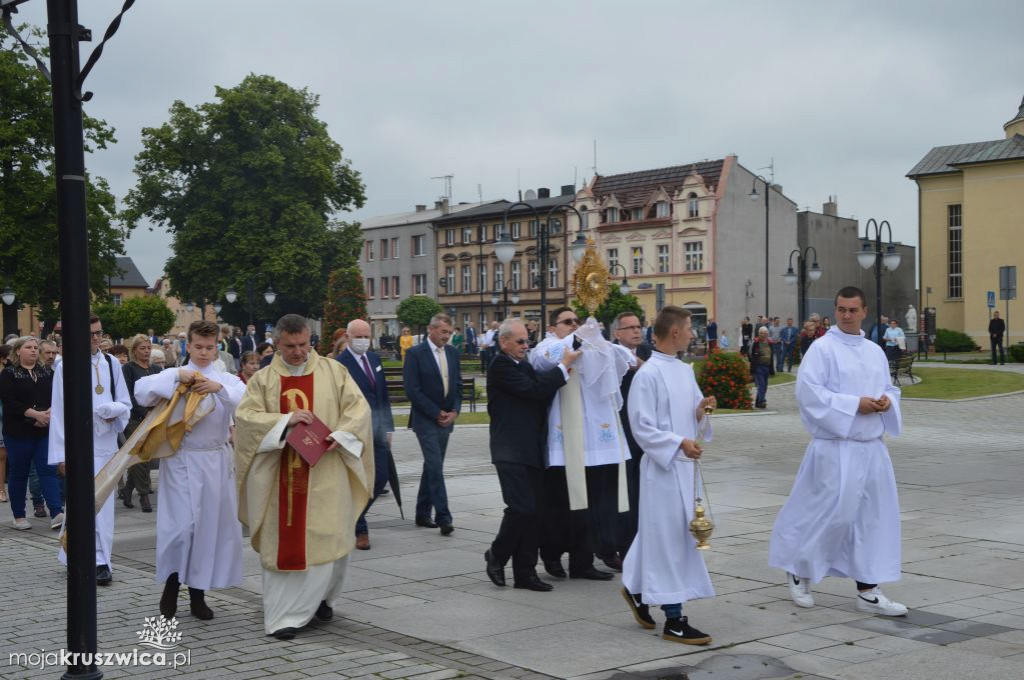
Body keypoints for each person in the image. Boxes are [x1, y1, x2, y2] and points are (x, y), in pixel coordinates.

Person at [769, 287, 907, 617]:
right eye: (841, 309)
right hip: (836, 447)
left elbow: (889, 387)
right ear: (835, 311)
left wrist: (887, 402)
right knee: (830, 514)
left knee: (872, 518)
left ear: (864, 312)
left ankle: (868, 588)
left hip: (871, 448)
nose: (847, 315)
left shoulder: (874, 351)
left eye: (853, 310)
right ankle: (799, 570)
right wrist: (853, 405)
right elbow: (809, 395)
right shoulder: (823, 349)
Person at [234, 314, 373, 640]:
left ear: (312, 341)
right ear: (277, 344)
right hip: (279, 475)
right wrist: (285, 421)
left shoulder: (334, 372)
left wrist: (341, 435)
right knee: (284, 545)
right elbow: (246, 418)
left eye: (303, 345)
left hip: (327, 471)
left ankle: (323, 600)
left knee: (329, 539)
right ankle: (285, 617)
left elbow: (358, 410)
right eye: (290, 346)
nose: (298, 352)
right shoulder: (263, 380)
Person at [134, 320, 246, 620]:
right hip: (181, 459)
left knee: (207, 530)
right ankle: (171, 585)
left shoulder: (226, 379)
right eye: (198, 346)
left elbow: (245, 401)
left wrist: (218, 388)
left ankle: (198, 594)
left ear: (217, 346)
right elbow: (141, 392)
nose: (204, 353)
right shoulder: (176, 374)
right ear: (189, 345)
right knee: (180, 529)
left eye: (210, 348)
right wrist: (175, 377)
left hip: (214, 461)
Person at [621, 305, 716, 646]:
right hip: (662, 471)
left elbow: (689, 416)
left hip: (684, 466)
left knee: (663, 536)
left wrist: (701, 410)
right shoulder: (648, 376)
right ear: (674, 332)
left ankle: (636, 589)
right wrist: (679, 443)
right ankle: (674, 619)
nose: (693, 334)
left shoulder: (683, 370)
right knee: (668, 542)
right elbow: (642, 428)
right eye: (690, 328)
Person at [530, 307, 633, 580]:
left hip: (596, 440)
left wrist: (595, 339)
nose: (574, 325)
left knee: (592, 503)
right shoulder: (549, 345)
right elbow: (542, 361)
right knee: (561, 504)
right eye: (567, 322)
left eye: (577, 321)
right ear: (553, 328)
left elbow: (622, 356)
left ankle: (582, 562)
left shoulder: (590, 345)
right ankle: (551, 554)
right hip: (565, 440)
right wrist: (577, 339)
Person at [484, 318, 578, 591]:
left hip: (532, 449)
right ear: (504, 342)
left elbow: (540, 390)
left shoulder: (522, 364)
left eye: (528, 341)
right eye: (520, 341)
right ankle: (497, 554)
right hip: (509, 449)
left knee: (534, 513)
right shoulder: (500, 365)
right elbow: (533, 389)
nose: (526, 346)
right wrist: (563, 367)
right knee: (521, 508)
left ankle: (525, 573)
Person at [49, 314, 131, 585]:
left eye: (99, 332)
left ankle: (100, 560)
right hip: (80, 444)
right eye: (90, 334)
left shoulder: (110, 363)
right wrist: (62, 454)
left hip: (106, 443)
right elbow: (60, 411)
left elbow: (124, 401)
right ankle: (79, 554)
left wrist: (115, 412)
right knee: (80, 503)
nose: (96, 338)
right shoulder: (66, 365)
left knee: (103, 505)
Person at [337, 319, 394, 551]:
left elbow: (383, 394)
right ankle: (360, 528)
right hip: (355, 431)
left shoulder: (374, 359)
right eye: (358, 336)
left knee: (381, 477)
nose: (363, 340)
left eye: (366, 336)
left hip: (378, 428)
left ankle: (352, 516)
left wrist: (388, 426)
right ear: (348, 338)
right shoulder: (340, 365)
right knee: (358, 479)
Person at [403, 314, 461, 535]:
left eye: (449, 333)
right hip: (426, 419)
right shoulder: (415, 354)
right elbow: (412, 390)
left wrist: (454, 410)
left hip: (447, 419)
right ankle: (443, 516)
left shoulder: (453, 354)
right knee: (436, 466)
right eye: (443, 332)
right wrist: (435, 412)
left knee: (431, 467)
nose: (447, 337)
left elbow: (457, 384)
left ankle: (422, 512)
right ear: (431, 329)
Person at [1, 337, 64, 530]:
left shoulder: (46, 372)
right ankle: (19, 516)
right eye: (28, 347)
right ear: (18, 351)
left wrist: (48, 414)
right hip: (18, 431)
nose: (33, 351)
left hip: (43, 430)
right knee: (19, 473)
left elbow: (58, 395)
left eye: (36, 348)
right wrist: (35, 414)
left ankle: (56, 512)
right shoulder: (9, 374)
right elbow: (10, 402)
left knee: (47, 470)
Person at [612, 312, 653, 560]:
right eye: (630, 328)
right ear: (617, 333)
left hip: (643, 431)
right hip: (619, 430)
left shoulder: (647, 352)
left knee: (640, 491)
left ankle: (639, 543)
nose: (637, 332)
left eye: (639, 327)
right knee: (622, 492)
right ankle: (619, 547)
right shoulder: (610, 354)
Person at [120, 335, 162, 512]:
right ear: (134, 350)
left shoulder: (155, 369)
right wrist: (143, 413)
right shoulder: (128, 368)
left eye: (148, 348)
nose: (146, 351)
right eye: (142, 348)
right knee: (140, 455)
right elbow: (128, 394)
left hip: (154, 417)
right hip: (134, 419)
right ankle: (144, 495)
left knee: (145, 455)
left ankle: (128, 488)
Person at [749, 327, 774, 409]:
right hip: (758, 367)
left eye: (765, 333)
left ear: (767, 334)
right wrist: (753, 365)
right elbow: (749, 353)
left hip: (767, 366)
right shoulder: (755, 342)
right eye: (761, 333)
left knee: (765, 385)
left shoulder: (770, 342)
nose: (763, 335)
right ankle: (762, 401)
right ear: (758, 334)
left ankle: (758, 403)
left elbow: (771, 356)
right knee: (761, 385)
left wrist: (772, 369)